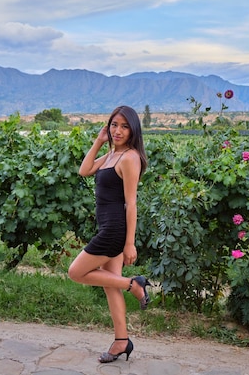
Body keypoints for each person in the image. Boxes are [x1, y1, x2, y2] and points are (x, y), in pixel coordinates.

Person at [67, 105, 150, 363]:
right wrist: (99, 140)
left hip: (114, 231)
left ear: (133, 130)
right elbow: (84, 169)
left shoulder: (130, 158)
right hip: (107, 227)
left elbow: (131, 202)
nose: (118, 130)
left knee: (76, 272)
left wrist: (129, 243)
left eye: (124, 126)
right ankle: (121, 341)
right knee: (109, 285)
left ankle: (133, 284)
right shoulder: (114, 154)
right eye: (114, 125)